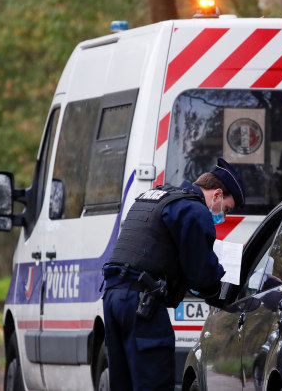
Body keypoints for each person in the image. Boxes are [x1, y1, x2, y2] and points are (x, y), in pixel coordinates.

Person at [102, 158, 245, 391]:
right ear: (217, 195)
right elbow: (202, 276)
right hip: (142, 305)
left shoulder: (155, 197)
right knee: (153, 383)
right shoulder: (194, 210)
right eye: (226, 209)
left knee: (123, 383)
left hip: (113, 297)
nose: (223, 216)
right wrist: (224, 288)